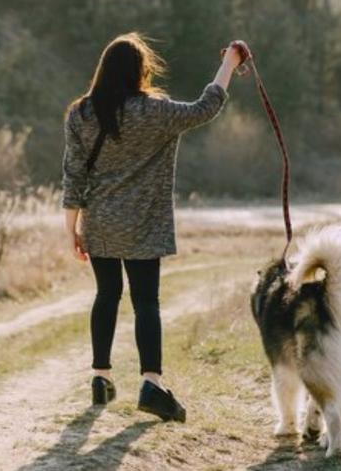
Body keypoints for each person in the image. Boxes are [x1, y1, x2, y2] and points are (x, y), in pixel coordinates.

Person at [62, 33, 246, 421]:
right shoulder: (155, 112)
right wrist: (229, 63)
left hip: (100, 222)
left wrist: (72, 230)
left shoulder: (81, 114)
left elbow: (73, 176)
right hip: (144, 222)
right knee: (146, 302)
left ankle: (100, 376)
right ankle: (151, 382)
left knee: (106, 295)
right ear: (140, 72)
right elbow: (205, 107)